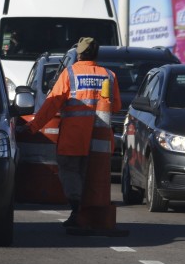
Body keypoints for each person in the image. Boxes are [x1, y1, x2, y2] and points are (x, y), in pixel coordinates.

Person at [26, 36, 120, 233]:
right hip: (100, 143)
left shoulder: (70, 74)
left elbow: (51, 104)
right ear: (96, 54)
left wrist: (33, 127)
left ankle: (77, 211)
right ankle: (88, 213)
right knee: (91, 177)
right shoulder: (109, 75)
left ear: (79, 54)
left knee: (70, 174)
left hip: (73, 139)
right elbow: (117, 107)